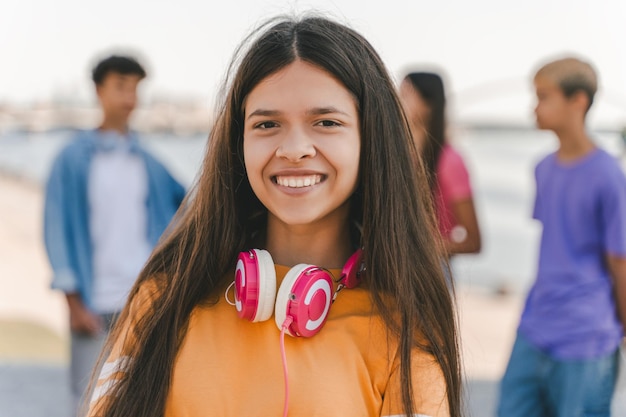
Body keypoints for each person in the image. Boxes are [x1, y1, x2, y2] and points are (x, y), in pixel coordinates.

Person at [86, 15, 462, 417]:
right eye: (266, 123)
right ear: (238, 142)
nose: (294, 148)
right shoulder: (162, 299)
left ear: (370, 139)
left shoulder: (404, 328)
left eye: (326, 122)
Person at [43, 54, 186, 416]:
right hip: (92, 303)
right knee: (88, 402)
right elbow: (56, 228)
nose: (129, 98)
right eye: (121, 86)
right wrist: (73, 301)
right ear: (98, 90)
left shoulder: (148, 162)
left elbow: (192, 208)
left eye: (136, 88)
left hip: (144, 301)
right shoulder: (72, 159)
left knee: (144, 400)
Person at [497, 56, 626, 416]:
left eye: (543, 96)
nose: (533, 107)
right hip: (535, 324)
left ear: (578, 101)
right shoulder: (542, 168)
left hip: (587, 334)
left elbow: (620, 262)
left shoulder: (609, 176)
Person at [399, 71, 481, 256]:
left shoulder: (450, 160)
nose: (396, 101)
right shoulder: (394, 155)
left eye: (405, 94)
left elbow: (474, 241)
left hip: (429, 272)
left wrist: (415, 249)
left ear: (429, 105)